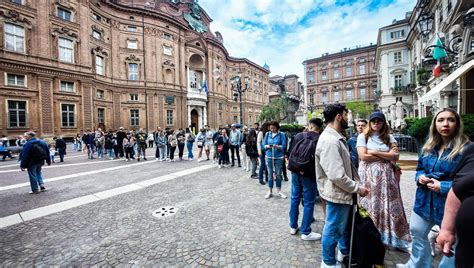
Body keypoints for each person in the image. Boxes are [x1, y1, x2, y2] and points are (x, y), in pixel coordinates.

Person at [397, 108, 469, 268]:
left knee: (452, 242)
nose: (445, 124)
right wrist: (420, 177)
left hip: (450, 205)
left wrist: (442, 186)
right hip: (424, 201)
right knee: (417, 233)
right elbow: (420, 168)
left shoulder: (467, 149)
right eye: (441, 120)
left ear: (457, 124)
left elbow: (469, 182)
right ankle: (418, 264)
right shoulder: (428, 146)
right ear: (434, 124)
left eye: (451, 120)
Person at [315, 104, 369, 268]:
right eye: (346, 115)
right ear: (339, 116)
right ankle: (328, 263)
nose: (348, 119)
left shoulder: (336, 137)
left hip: (341, 193)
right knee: (333, 230)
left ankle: (342, 254)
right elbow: (336, 175)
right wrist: (357, 188)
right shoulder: (330, 140)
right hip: (337, 193)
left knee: (340, 228)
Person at [356, 111, 411, 250]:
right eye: (373, 121)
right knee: (371, 204)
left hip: (386, 177)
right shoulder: (363, 136)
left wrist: (374, 152)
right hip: (368, 176)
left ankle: (390, 235)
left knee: (389, 203)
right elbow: (363, 156)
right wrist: (386, 156)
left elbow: (396, 157)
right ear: (370, 122)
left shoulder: (389, 137)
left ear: (383, 123)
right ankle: (370, 234)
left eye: (379, 121)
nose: (376, 123)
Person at [437, 143, 474, 268]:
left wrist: (441, 186)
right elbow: (458, 186)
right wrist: (447, 229)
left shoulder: (463, 146)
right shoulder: (472, 150)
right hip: (467, 249)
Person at [289, 118, 323, 241]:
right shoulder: (320, 139)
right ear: (320, 127)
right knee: (309, 202)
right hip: (309, 174)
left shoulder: (299, 136)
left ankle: (293, 226)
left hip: (295, 171)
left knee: (294, 198)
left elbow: (291, 152)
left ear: (310, 125)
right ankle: (306, 231)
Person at [262, 121, 287, 199]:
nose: (271, 129)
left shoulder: (282, 134)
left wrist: (277, 146)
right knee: (270, 175)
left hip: (278, 157)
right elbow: (263, 144)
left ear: (277, 127)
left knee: (278, 174)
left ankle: (279, 191)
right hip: (269, 156)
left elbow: (284, 146)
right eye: (270, 128)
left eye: (273, 128)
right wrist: (267, 146)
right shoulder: (267, 134)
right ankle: (270, 191)